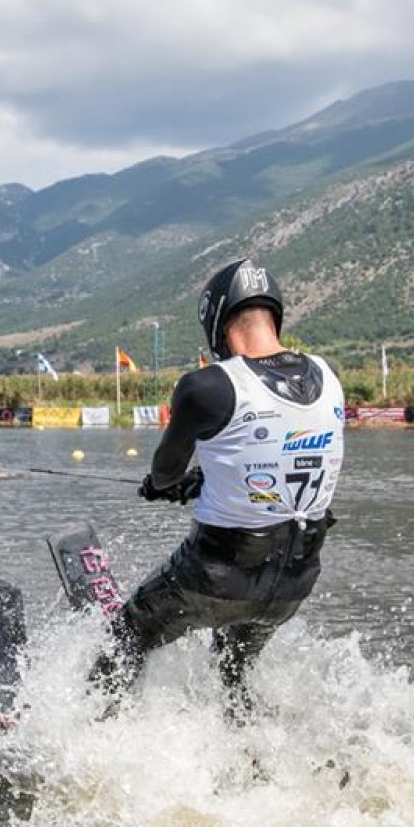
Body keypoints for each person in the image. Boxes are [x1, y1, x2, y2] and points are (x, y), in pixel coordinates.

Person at [90, 257, 346, 719]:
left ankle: (88, 738)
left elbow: (165, 474)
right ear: (274, 313)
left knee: (125, 640)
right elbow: (278, 455)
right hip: (293, 583)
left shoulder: (205, 387)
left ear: (217, 320)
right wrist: (208, 478)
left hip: (212, 578)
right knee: (235, 672)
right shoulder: (329, 377)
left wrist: (166, 485)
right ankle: (250, 760)